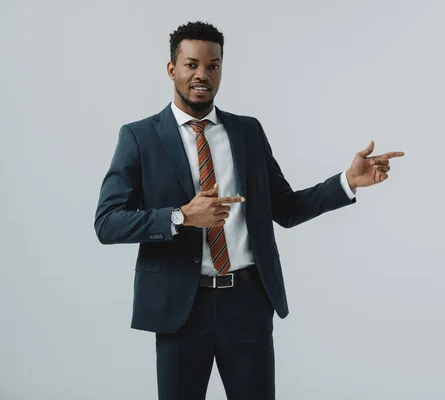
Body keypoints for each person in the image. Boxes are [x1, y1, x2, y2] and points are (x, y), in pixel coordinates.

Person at [94, 20, 404, 400]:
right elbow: (107, 223)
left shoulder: (247, 132)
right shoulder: (139, 136)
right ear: (172, 69)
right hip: (178, 309)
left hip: (247, 304)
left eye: (213, 65)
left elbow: (286, 208)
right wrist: (182, 216)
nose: (202, 75)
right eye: (191, 65)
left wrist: (348, 182)